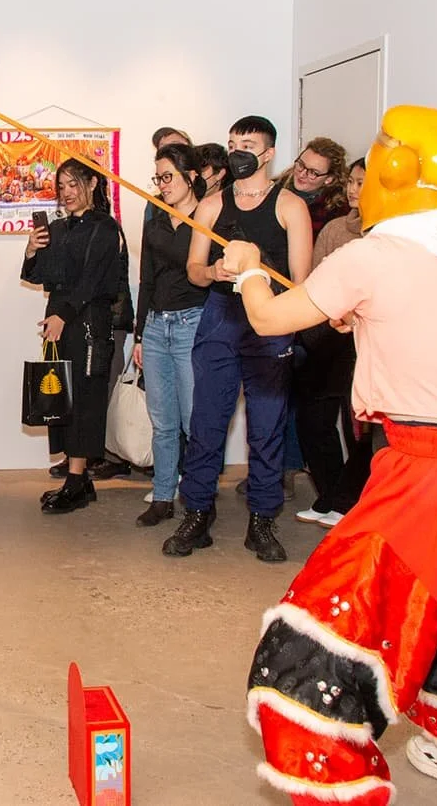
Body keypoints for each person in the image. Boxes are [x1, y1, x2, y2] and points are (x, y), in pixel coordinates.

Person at [233, 103, 437, 806]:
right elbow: (431, 327)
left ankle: (342, 790)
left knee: (318, 647)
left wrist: (248, 268)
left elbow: (272, 317)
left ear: (399, 170)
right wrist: (356, 309)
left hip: (432, 481)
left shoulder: (377, 254)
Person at [162, 115, 312, 562]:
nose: (237, 150)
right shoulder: (211, 206)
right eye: (231, 143)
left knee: (266, 427)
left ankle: (262, 520)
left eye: (247, 143)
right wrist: (215, 271)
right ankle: (198, 512)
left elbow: (301, 280)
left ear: (268, 153)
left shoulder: (291, 207)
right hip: (222, 320)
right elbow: (195, 270)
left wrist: (256, 271)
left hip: (270, 323)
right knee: (207, 422)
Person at [22, 158, 122, 514]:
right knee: (61, 397)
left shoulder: (106, 228)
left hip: (89, 322)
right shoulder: (60, 228)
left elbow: (94, 280)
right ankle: (77, 477)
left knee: (84, 398)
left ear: (92, 183)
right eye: (61, 186)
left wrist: (63, 315)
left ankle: (78, 480)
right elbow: (40, 276)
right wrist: (32, 249)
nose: (66, 192)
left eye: (73, 184)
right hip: (60, 321)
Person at [293, 157, 373, 527]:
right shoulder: (337, 228)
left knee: (360, 429)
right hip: (327, 335)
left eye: (362, 182)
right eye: (352, 182)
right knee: (313, 420)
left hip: (367, 340)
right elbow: (315, 279)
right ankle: (331, 494)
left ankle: (347, 500)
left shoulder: (389, 234)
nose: (353, 190)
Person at [132, 144, 208, 526]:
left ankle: (198, 503)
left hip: (193, 324)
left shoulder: (208, 220)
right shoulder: (155, 223)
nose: (161, 185)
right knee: (162, 422)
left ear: (191, 177)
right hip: (156, 327)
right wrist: (139, 336)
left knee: (195, 422)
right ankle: (163, 497)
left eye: (168, 177)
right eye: (157, 177)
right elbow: (146, 281)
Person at [282, 136, 350, 237]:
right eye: (301, 164)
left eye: (313, 172)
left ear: (329, 179)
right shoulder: (273, 190)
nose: (302, 174)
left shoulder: (337, 211)